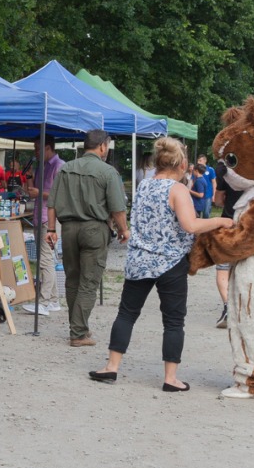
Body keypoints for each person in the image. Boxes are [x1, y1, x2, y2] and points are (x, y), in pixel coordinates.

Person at [88, 138, 234, 390]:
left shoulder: (143, 185)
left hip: (139, 261)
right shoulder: (177, 190)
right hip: (170, 262)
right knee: (174, 320)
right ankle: (170, 378)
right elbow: (190, 225)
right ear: (181, 164)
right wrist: (222, 222)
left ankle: (111, 367)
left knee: (126, 314)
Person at [49, 130, 129, 347]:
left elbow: (52, 203)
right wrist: (124, 230)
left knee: (72, 279)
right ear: (103, 146)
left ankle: (77, 326)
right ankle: (78, 332)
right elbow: (117, 208)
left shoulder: (65, 169)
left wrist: (50, 229)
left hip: (68, 229)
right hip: (94, 229)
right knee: (89, 281)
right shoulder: (108, 171)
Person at [20, 140, 64, 316]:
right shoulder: (41, 166)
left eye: (38, 149)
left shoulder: (59, 166)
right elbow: (31, 191)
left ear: (48, 147)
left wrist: (40, 193)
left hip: (50, 219)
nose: (35, 152)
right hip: (39, 216)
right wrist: (29, 177)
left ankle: (44, 302)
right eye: (34, 149)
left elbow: (59, 194)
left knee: (46, 260)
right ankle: (53, 300)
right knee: (47, 259)